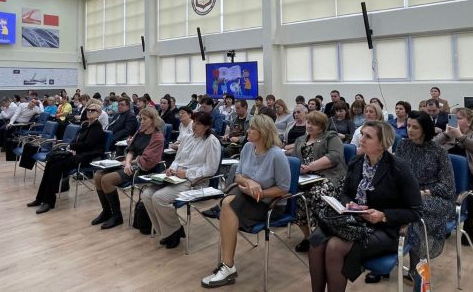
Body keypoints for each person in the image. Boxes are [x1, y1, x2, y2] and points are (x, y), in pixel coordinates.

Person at [308, 121, 422, 291]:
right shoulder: (356, 161)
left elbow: (416, 211)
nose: (361, 139)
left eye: (368, 136)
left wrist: (383, 215)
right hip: (353, 221)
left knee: (334, 246)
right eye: (362, 134)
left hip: (384, 228)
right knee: (316, 241)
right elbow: (345, 193)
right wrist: (350, 204)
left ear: (382, 143)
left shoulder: (399, 168)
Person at [201, 115, 290, 288]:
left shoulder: (276, 155)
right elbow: (238, 176)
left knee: (227, 204)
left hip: (269, 205)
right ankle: (227, 265)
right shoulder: (248, 147)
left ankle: (228, 266)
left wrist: (261, 193)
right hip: (247, 197)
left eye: (252, 128)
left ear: (263, 132)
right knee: (228, 202)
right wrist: (249, 182)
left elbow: (284, 188)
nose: (247, 131)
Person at [142, 112, 221, 249]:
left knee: (159, 197)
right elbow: (177, 159)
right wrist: (171, 169)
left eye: (199, 124)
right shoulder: (187, 138)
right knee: (147, 194)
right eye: (194, 122)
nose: (194, 125)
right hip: (176, 177)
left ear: (207, 126)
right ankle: (168, 231)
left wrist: (187, 173)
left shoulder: (211, 141)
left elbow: (210, 169)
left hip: (195, 181)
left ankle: (173, 232)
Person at [394, 111, 454, 283]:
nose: (410, 130)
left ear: (425, 129)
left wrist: (424, 192)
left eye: (415, 127)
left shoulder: (439, 151)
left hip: (435, 198)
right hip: (408, 196)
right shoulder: (403, 145)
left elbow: (448, 186)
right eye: (408, 125)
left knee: (415, 216)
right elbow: (396, 173)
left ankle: (417, 268)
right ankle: (386, 255)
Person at [92, 107, 164, 229]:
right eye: (141, 119)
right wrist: (127, 163)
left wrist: (129, 163)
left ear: (153, 120)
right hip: (130, 164)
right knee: (98, 175)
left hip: (143, 169)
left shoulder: (157, 137)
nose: (141, 122)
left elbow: (147, 159)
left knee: (107, 180)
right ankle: (106, 211)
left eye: (144, 119)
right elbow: (131, 150)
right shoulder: (140, 131)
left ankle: (117, 216)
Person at [27, 103, 105, 214]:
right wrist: (71, 147)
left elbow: (89, 144)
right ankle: (40, 198)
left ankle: (49, 201)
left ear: (98, 113)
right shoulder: (86, 125)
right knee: (51, 162)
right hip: (77, 154)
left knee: (55, 166)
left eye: (93, 110)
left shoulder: (97, 127)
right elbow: (76, 140)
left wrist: (72, 147)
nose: (89, 112)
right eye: (88, 110)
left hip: (85, 157)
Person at [290, 111, 347, 252]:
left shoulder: (331, 137)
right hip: (306, 178)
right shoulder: (300, 140)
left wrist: (309, 167)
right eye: (308, 122)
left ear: (322, 126)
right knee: (294, 197)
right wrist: (299, 167)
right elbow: (295, 159)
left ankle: (321, 236)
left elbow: (334, 157)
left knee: (316, 194)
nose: (310, 126)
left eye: (314, 124)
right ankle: (308, 237)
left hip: (330, 176)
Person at [436, 107, 473, 244]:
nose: (454, 121)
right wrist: (445, 134)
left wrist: (461, 137)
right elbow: (429, 148)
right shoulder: (447, 137)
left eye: (459, 118)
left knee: (470, 197)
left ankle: (468, 224)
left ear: (469, 122)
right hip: (447, 178)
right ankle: (445, 223)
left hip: (472, 178)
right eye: (452, 118)